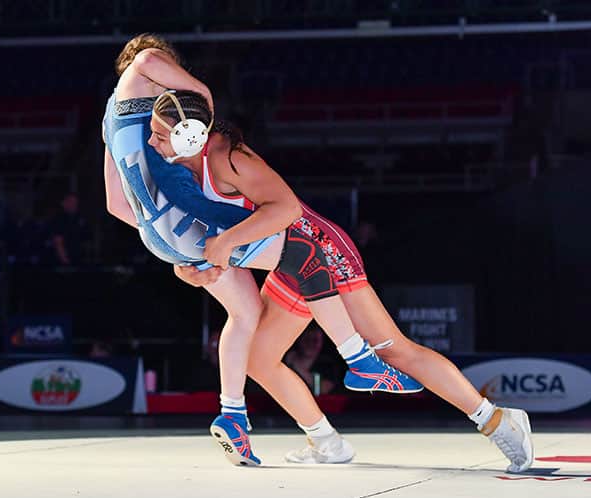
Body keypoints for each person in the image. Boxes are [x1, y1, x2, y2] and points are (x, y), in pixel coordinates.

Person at [149, 89, 534, 473]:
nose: (151, 142)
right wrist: (187, 267)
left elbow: (286, 209)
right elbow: (196, 237)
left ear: (189, 135)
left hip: (319, 251)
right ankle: (325, 441)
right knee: (258, 359)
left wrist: (227, 243)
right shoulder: (179, 169)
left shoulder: (228, 157)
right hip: (286, 263)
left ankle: (497, 420)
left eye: (160, 135)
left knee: (393, 350)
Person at [101, 34, 416, 468]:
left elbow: (116, 206)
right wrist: (197, 123)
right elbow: (190, 88)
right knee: (306, 253)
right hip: (183, 224)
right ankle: (358, 358)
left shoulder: (109, 122)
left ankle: (233, 415)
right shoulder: (145, 69)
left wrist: (179, 250)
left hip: (156, 234)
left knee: (246, 314)